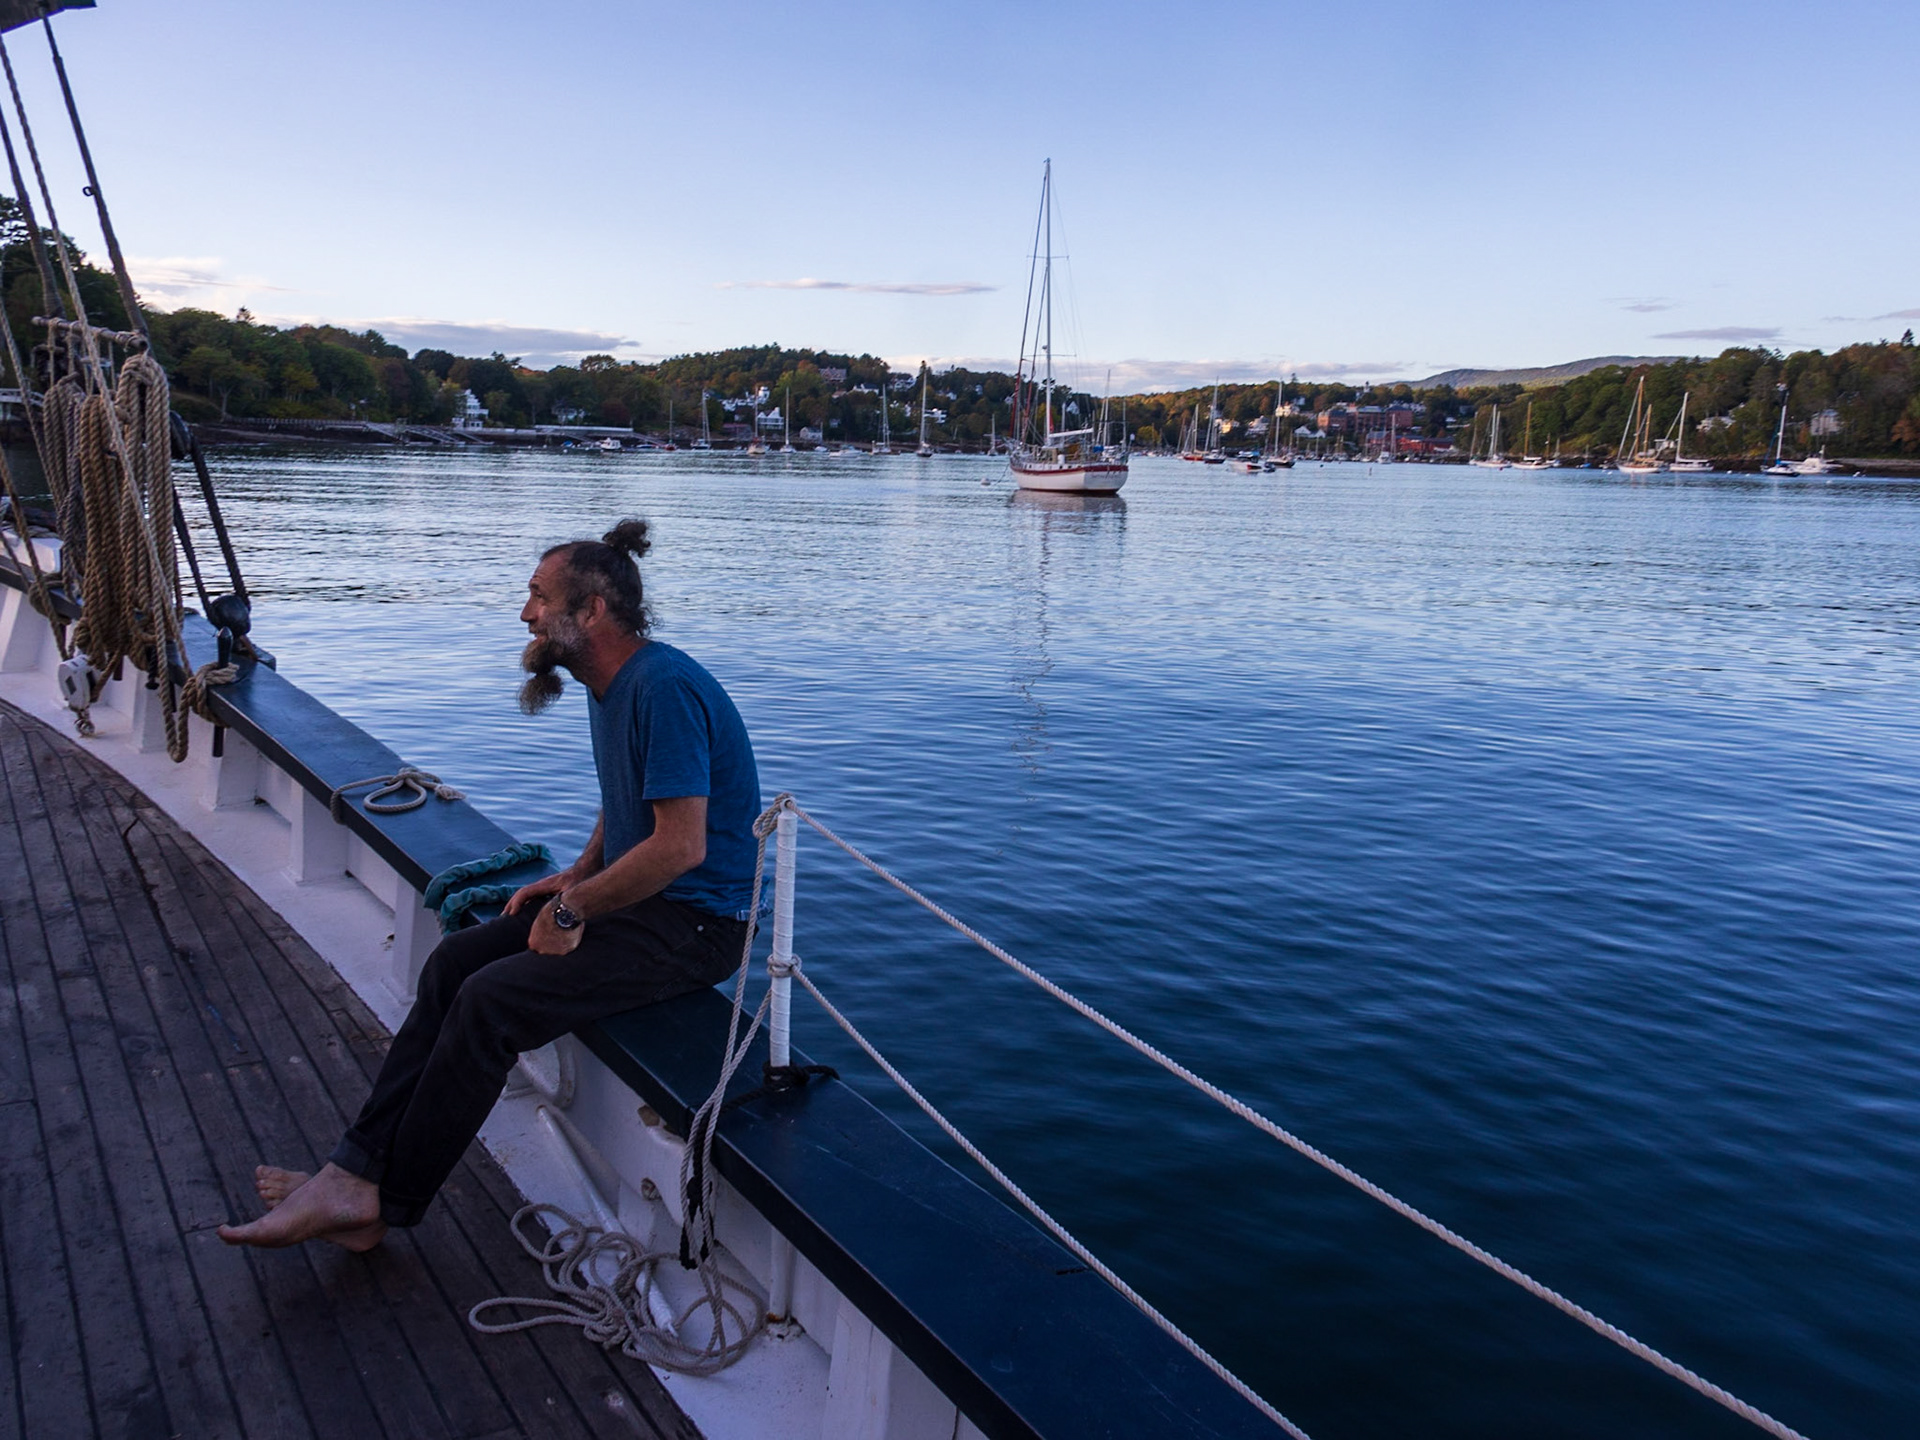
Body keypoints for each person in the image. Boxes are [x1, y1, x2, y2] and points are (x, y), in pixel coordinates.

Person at [219, 518, 761, 1250]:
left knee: (489, 1002)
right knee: (452, 965)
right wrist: (580, 870)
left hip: (696, 926)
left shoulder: (661, 686)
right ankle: (353, 1169)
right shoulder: (617, 686)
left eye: (539, 597)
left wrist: (572, 909)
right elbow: (632, 797)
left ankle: (384, 1204)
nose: (525, 613)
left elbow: (680, 846)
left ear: (591, 610)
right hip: (644, 902)